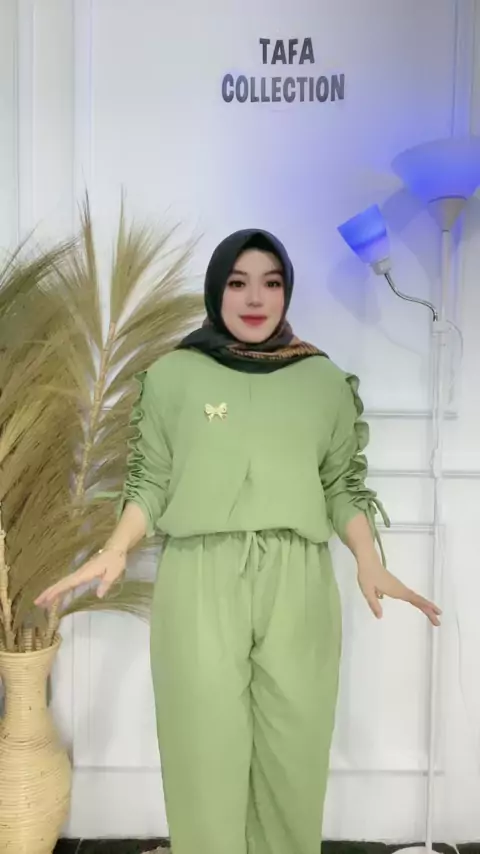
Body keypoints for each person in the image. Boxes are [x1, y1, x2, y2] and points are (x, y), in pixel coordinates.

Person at [36, 229, 441, 854]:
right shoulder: (173, 376)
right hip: (200, 575)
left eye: (271, 283)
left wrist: (368, 559)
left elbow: (341, 484)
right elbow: (150, 480)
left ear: (286, 292)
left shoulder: (322, 380)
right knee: (202, 749)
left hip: (298, 579)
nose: (256, 298)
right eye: (238, 282)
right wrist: (116, 548)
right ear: (216, 288)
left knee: (295, 749)